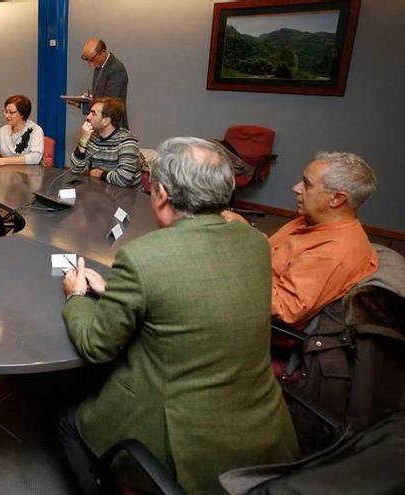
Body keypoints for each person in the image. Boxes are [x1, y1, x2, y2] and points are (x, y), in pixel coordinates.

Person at [59, 137, 297, 495]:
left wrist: (75, 295)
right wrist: (117, 293)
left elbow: (96, 346)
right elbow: (200, 294)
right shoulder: (255, 242)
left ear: (162, 194)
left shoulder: (143, 257)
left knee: (67, 422)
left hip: (185, 446)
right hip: (263, 429)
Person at [224, 152, 378, 329]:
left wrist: (231, 269)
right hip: (248, 286)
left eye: (307, 184)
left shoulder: (334, 252)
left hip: (251, 321)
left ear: (337, 199)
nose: (296, 188)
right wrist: (246, 233)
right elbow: (275, 258)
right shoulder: (312, 219)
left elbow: (282, 309)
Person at [70, 96, 144, 187]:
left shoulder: (126, 141)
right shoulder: (93, 138)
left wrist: (99, 174)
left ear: (106, 121)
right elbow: (75, 170)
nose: (88, 117)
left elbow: (124, 179)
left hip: (127, 197)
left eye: (93, 114)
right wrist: (83, 141)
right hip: (101, 193)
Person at [76, 38, 129, 128]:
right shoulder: (99, 66)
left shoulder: (117, 69)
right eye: (87, 59)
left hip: (112, 127)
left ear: (103, 52)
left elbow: (110, 104)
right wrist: (89, 98)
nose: (90, 64)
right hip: (99, 124)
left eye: (92, 59)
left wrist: (82, 105)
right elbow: (101, 96)